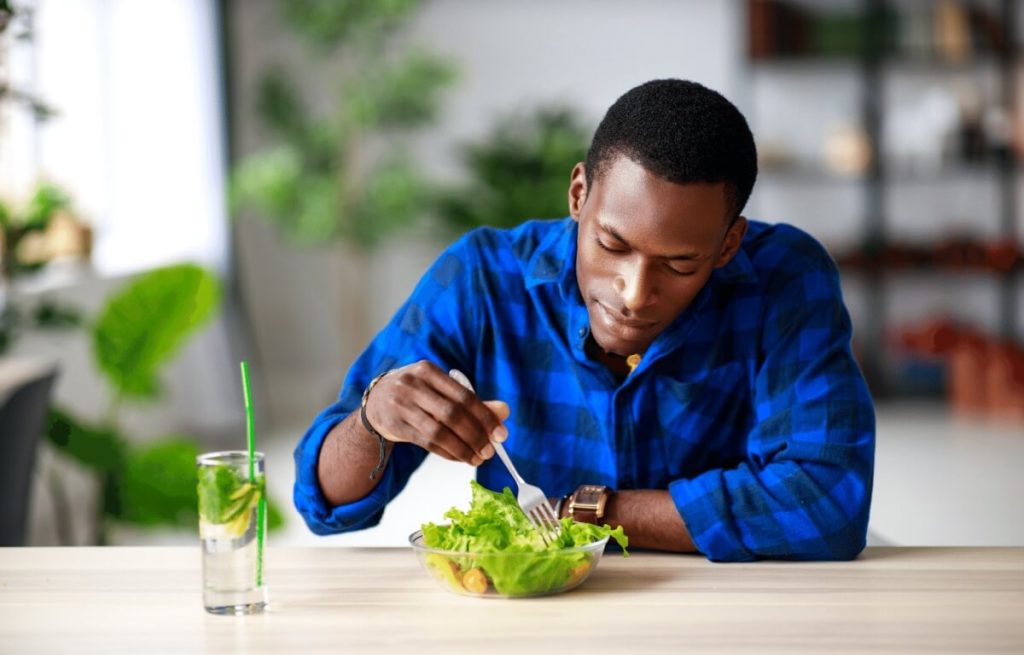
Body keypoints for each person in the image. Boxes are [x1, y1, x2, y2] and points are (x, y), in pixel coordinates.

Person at [294, 79, 875, 562]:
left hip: (718, 621)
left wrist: (593, 514)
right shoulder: (482, 279)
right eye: (611, 243)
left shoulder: (785, 279)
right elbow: (322, 504)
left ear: (728, 246)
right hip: (530, 618)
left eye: (679, 264)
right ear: (578, 195)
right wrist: (374, 418)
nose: (634, 292)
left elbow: (827, 502)